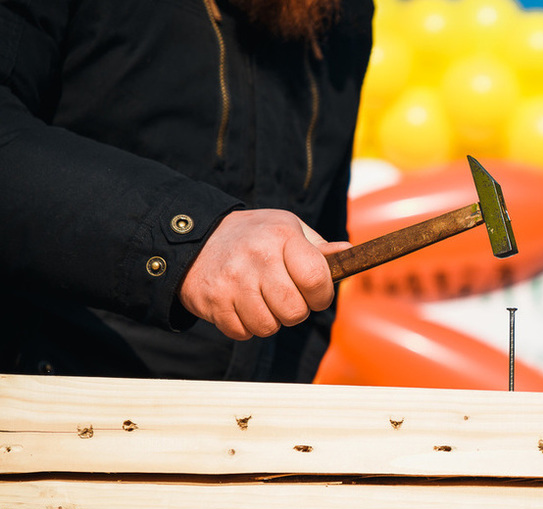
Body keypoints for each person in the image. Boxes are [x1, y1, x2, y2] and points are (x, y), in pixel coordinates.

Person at [0, 0, 374, 383]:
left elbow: (322, 221)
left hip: (239, 423)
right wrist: (190, 237)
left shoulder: (342, 13)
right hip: (49, 401)